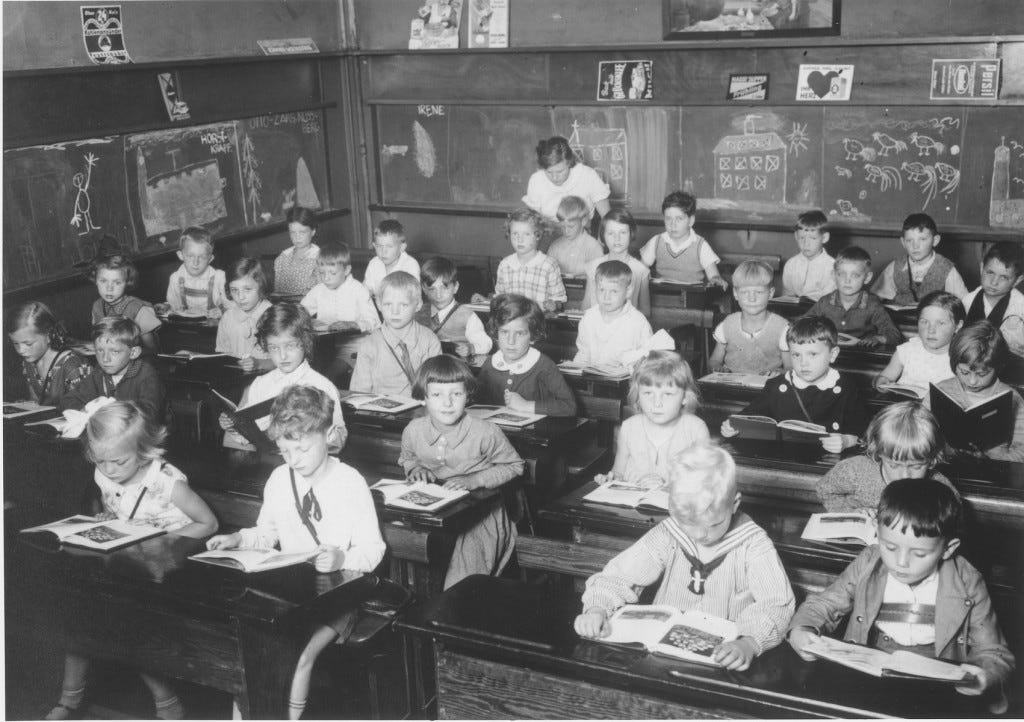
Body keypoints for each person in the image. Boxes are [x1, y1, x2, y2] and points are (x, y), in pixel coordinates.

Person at [206, 385, 385, 720]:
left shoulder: (350, 482)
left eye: (302, 449)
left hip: (340, 595)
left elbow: (373, 548)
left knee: (298, 655)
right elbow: (267, 534)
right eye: (284, 451)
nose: (293, 460)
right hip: (290, 594)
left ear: (329, 435)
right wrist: (239, 539)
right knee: (249, 653)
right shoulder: (278, 478)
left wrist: (343, 559)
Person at [47, 401, 217, 721]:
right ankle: (68, 699)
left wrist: (165, 539)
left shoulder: (167, 483)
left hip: (171, 568)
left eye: (118, 462)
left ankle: (166, 701)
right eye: (100, 461)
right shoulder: (104, 471)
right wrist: (107, 518)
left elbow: (208, 523)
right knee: (82, 611)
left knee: (123, 622)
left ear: (142, 450)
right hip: (129, 563)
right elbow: (117, 507)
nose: (108, 470)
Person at [789, 479, 1014, 712]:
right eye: (890, 547)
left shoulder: (967, 580)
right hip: (870, 666)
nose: (901, 562)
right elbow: (825, 603)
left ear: (948, 548)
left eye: (919, 553)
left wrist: (985, 674)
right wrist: (802, 628)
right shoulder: (869, 561)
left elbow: (993, 650)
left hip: (936, 674)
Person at [575, 443, 795, 672]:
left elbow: (776, 605)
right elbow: (619, 576)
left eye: (713, 524)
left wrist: (749, 642)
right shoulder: (669, 533)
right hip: (662, 654)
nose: (701, 535)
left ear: (734, 504)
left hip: (724, 656)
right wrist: (597, 609)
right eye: (689, 523)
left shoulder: (754, 544)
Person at [399, 355, 525, 589]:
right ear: (423, 398)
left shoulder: (485, 431)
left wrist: (474, 479)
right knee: (402, 543)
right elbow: (408, 458)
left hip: (483, 512)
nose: (447, 403)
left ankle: (452, 606)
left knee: (463, 578)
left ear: (467, 395)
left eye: (456, 394)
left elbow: (515, 466)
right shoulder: (413, 430)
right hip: (436, 508)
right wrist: (416, 468)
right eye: (437, 395)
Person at [721, 316, 868, 453]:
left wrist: (847, 440)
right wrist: (731, 426)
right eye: (796, 355)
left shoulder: (847, 388)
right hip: (783, 458)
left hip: (829, 461)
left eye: (813, 354)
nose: (803, 363)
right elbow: (748, 416)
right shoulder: (777, 386)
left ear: (833, 354)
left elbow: (864, 432)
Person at [220, 303, 346, 450]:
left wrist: (316, 433)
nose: (282, 355)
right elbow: (247, 435)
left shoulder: (322, 386)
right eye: (274, 348)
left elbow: (338, 441)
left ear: (305, 343)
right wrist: (233, 426)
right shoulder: (260, 384)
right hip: (266, 462)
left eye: (290, 346)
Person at [596, 350, 708, 489]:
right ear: (638, 395)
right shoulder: (629, 428)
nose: (656, 403)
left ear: (685, 397)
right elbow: (618, 472)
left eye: (667, 394)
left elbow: (705, 482)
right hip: (632, 506)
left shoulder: (696, 430)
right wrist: (610, 480)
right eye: (648, 393)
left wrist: (666, 486)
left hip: (677, 507)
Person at [817, 401, 956, 512]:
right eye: (894, 465)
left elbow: (954, 518)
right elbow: (825, 490)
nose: (905, 475)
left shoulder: (940, 488)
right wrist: (851, 513)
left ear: (932, 460)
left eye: (917, 466)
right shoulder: (854, 470)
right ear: (878, 451)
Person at [924, 320, 1024, 462]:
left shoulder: (1014, 398)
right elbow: (919, 434)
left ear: (998, 367)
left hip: (994, 476)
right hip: (944, 467)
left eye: (982, 374)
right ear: (954, 365)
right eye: (964, 372)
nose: (972, 381)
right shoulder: (940, 391)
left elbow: (1022, 451)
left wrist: (990, 461)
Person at [476, 294, 577, 417]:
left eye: (519, 334)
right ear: (496, 333)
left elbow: (569, 406)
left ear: (533, 336)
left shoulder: (544, 366)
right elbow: (477, 403)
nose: (510, 341)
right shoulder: (491, 363)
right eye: (504, 332)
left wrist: (526, 406)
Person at [350, 271, 441, 396]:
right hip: (380, 412)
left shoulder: (429, 340)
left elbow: (437, 386)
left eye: (403, 305)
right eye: (388, 304)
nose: (395, 312)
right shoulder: (369, 344)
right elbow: (359, 392)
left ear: (418, 305)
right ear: (379, 305)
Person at [62, 317, 165, 421]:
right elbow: (69, 400)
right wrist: (85, 410)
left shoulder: (147, 375)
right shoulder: (98, 373)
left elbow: (149, 414)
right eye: (100, 350)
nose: (105, 359)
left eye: (114, 352)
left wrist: (107, 413)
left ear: (133, 353)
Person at [803, 246, 903, 348]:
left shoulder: (872, 304)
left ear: (867, 278)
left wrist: (878, 338)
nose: (847, 280)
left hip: (861, 355)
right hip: (829, 353)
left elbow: (893, 334)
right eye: (842, 274)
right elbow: (803, 323)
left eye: (855, 275)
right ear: (833, 275)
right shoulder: (825, 302)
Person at [873, 291, 964, 394]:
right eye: (924, 322)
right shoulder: (907, 350)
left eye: (941, 323)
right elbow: (885, 377)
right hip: (904, 406)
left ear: (957, 326)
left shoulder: (962, 355)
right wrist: (882, 382)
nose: (931, 330)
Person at [709, 260, 790, 375]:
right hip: (731, 387)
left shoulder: (782, 328)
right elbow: (714, 360)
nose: (752, 298)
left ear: (770, 293)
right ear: (735, 294)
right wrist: (717, 367)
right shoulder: (726, 325)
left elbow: (790, 367)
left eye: (759, 292)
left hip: (767, 387)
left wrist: (780, 373)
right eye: (745, 292)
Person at [482, 208, 567, 313]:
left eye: (526, 234)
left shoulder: (549, 265)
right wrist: (486, 301)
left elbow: (559, 301)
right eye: (515, 234)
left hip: (538, 324)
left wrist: (554, 305)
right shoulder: (505, 265)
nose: (520, 239)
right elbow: (500, 298)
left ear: (538, 235)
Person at [7, 301, 91, 407]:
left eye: (28, 344)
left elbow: (83, 408)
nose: (20, 350)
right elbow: (36, 402)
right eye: (15, 343)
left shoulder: (71, 364)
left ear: (48, 335)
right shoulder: (29, 363)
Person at [872, 213, 968, 305]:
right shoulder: (895, 266)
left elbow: (964, 304)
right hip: (900, 320)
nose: (915, 246)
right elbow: (875, 299)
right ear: (903, 242)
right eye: (909, 240)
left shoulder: (947, 269)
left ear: (935, 241)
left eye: (922, 239)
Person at [573, 260, 652, 369]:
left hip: (627, 382)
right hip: (592, 380)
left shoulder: (638, 322)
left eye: (614, 291)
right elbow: (583, 354)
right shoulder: (589, 318)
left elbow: (647, 362)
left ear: (628, 291)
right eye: (601, 290)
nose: (606, 297)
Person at [639, 191, 727, 288]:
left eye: (679, 219)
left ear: (691, 221)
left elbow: (714, 275)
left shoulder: (700, 245)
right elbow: (641, 269)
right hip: (661, 294)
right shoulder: (656, 241)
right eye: (668, 218)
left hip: (691, 297)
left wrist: (716, 279)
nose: (673, 224)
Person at [522, 136, 611, 223]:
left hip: (582, 231)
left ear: (569, 163)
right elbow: (532, 220)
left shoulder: (587, 175)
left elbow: (607, 218)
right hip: (549, 231)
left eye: (560, 172)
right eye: (549, 172)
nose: (555, 177)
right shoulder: (536, 180)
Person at [416, 256, 492, 357]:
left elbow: (486, 343)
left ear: (455, 287)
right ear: (424, 289)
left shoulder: (467, 316)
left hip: (455, 366)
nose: (438, 295)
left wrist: (471, 348)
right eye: (432, 289)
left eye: (444, 288)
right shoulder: (419, 313)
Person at [582, 209, 651, 316]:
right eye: (611, 233)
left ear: (631, 234)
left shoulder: (640, 270)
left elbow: (646, 311)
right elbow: (586, 305)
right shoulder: (593, 266)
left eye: (623, 233)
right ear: (603, 236)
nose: (617, 238)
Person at [961, 241, 1024, 355]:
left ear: (1017, 281)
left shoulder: (1021, 307)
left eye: (1004, 277)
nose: (994, 282)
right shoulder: (967, 301)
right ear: (981, 268)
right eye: (990, 272)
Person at [300, 241, 379, 333]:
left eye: (333, 273)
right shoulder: (319, 289)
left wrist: (354, 325)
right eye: (322, 273)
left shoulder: (358, 290)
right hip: (325, 339)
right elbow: (301, 311)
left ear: (346, 270)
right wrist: (308, 321)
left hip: (353, 340)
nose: (326, 278)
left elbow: (374, 322)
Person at [90, 254, 161, 353]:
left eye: (117, 283)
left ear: (127, 283)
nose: (109, 288)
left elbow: (152, 349)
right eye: (103, 281)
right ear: (96, 281)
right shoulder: (97, 306)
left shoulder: (137, 308)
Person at [216, 257, 273, 372]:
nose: (240, 297)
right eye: (234, 290)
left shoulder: (275, 316)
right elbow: (222, 356)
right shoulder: (228, 317)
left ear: (261, 286)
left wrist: (259, 364)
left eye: (247, 289)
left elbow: (286, 361)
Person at [158, 226, 228, 318]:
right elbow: (173, 305)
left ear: (210, 259)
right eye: (190, 256)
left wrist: (222, 310)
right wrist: (167, 307)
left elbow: (229, 304)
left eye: (202, 257)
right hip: (186, 324)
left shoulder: (218, 277)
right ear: (181, 255)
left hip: (211, 325)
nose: (195, 262)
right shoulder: (175, 278)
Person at [781, 209, 836, 301]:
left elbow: (828, 302)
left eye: (813, 238)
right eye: (802, 238)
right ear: (796, 236)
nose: (806, 243)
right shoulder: (791, 264)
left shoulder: (832, 266)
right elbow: (787, 296)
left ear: (825, 238)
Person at [363, 219, 421, 303]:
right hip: (380, 309)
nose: (383, 251)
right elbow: (366, 290)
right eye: (379, 246)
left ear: (402, 247)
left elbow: (412, 297)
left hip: (404, 309)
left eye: (389, 246)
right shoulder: (374, 263)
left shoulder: (410, 265)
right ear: (374, 246)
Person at [546, 195, 603, 278]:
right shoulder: (555, 246)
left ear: (583, 221)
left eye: (571, 226)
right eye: (562, 226)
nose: (566, 231)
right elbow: (548, 273)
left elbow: (599, 276)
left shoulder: (593, 247)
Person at [274, 206, 321, 297]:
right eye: (293, 232)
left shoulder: (320, 258)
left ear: (313, 231)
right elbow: (277, 292)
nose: (297, 237)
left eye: (302, 232)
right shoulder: (282, 258)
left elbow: (324, 291)